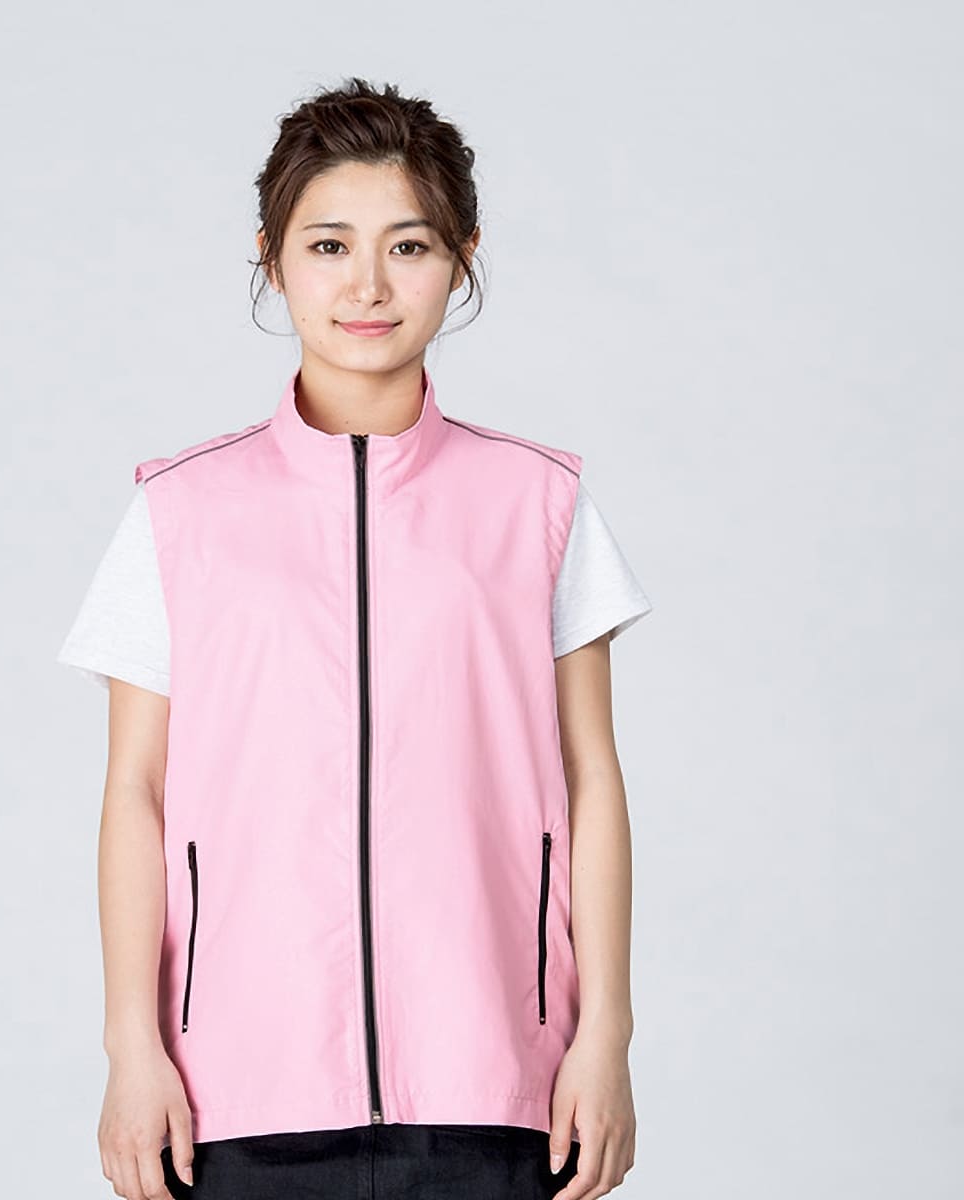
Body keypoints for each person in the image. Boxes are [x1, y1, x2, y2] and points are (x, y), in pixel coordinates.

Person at [58, 76, 651, 1200]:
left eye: (409, 246)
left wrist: (605, 1036)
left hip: (495, 1083)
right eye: (328, 245)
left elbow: (591, 779)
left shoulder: (538, 503)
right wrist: (132, 1048)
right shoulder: (181, 512)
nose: (368, 285)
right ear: (273, 259)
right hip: (236, 1095)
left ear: (462, 259)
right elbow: (135, 792)